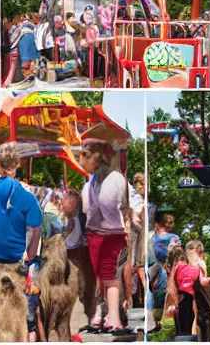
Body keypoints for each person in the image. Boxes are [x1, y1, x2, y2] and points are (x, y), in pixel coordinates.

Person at [0, 142, 42, 336]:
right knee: (20, 319)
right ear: (17, 164)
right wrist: (31, 253)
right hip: (16, 265)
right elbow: (36, 227)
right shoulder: (26, 195)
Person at [80, 138, 132, 335]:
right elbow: (128, 205)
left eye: (86, 155)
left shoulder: (91, 182)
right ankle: (113, 319)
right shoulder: (117, 179)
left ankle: (97, 317)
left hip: (96, 234)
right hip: (114, 233)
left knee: (100, 278)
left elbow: (86, 207)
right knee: (111, 279)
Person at [61, 189, 98, 332]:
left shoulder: (75, 221)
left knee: (86, 290)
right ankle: (91, 318)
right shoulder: (73, 220)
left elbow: (72, 243)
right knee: (85, 291)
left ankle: (92, 318)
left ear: (72, 203)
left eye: (64, 201)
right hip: (79, 259)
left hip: (80, 260)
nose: (62, 204)